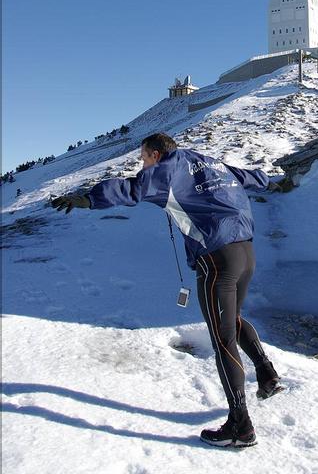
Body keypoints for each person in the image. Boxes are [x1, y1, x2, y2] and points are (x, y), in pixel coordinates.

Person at [51, 132, 282, 448]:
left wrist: (88, 199)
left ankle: (240, 426)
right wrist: (271, 180)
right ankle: (267, 373)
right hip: (245, 253)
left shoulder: (167, 168)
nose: (142, 164)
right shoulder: (208, 163)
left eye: (143, 158)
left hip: (217, 261)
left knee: (222, 339)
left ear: (155, 154)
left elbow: (132, 189)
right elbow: (250, 177)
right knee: (232, 320)